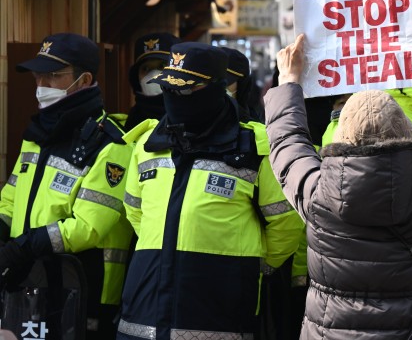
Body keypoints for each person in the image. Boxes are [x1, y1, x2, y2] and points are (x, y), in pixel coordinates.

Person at [264, 29, 412, 339]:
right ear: (406, 131)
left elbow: (287, 141)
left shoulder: (318, 196)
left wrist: (288, 79)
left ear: (341, 135)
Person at [117, 42, 304, 339]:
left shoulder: (255, 146)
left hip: (219, 318)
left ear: (218, 88)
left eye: (187, 89)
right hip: (143, 315)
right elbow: (136, 213)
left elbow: (286, 223)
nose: (176, 97)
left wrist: (246, 268)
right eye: (169, 89)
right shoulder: (148, 144)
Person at [0, 33, 134, 339]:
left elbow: (88, 226)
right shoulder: (37, 134)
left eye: (52, 76)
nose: (41, 86)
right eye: (38, 76)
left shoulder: (110, 144)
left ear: (84, 80)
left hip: (82, 287)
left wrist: (25, 246)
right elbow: (11, 198)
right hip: (29, 282)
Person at [125, 32, 180, 130]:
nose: (154, 75)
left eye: (162, 66)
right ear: (136, 78)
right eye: (145, 69)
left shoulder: (191, 119)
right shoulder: (131, 123)